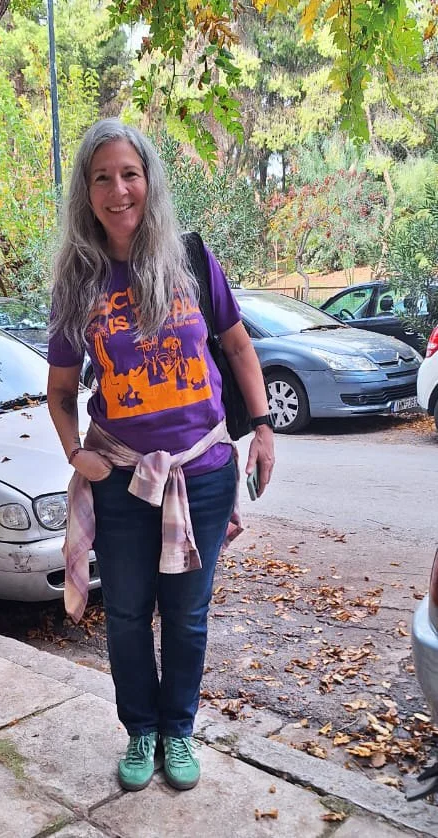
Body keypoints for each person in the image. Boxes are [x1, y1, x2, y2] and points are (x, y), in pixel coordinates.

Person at [47, 119, 274, 793]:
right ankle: (140, 730)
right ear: (86, 192)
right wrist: (76, 455)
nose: (118, 190)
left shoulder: (191, 259)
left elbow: (238, 347)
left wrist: (263, 429)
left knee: (186, 614)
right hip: (120, 478)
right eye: (102, 177)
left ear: (149, 180)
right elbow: (60, 391)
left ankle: (178, 731)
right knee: (124, 613)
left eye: (130, 174)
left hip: (202, 474)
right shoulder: (78, 282)